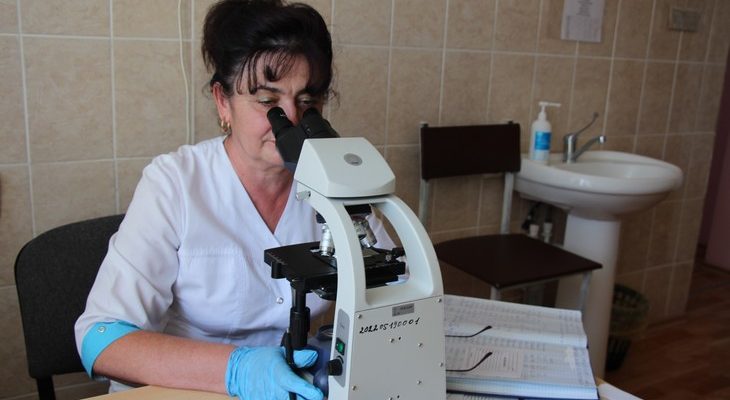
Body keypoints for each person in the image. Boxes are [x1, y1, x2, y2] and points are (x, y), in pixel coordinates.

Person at [74, 1, 394, 399]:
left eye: (307, 102)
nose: (292, 120)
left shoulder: (335, 183)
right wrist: (236, 370)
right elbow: (100, 339)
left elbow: (393, 292)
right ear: (223, 101)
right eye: (268, 102)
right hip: (185, 390)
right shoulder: (176, 183)